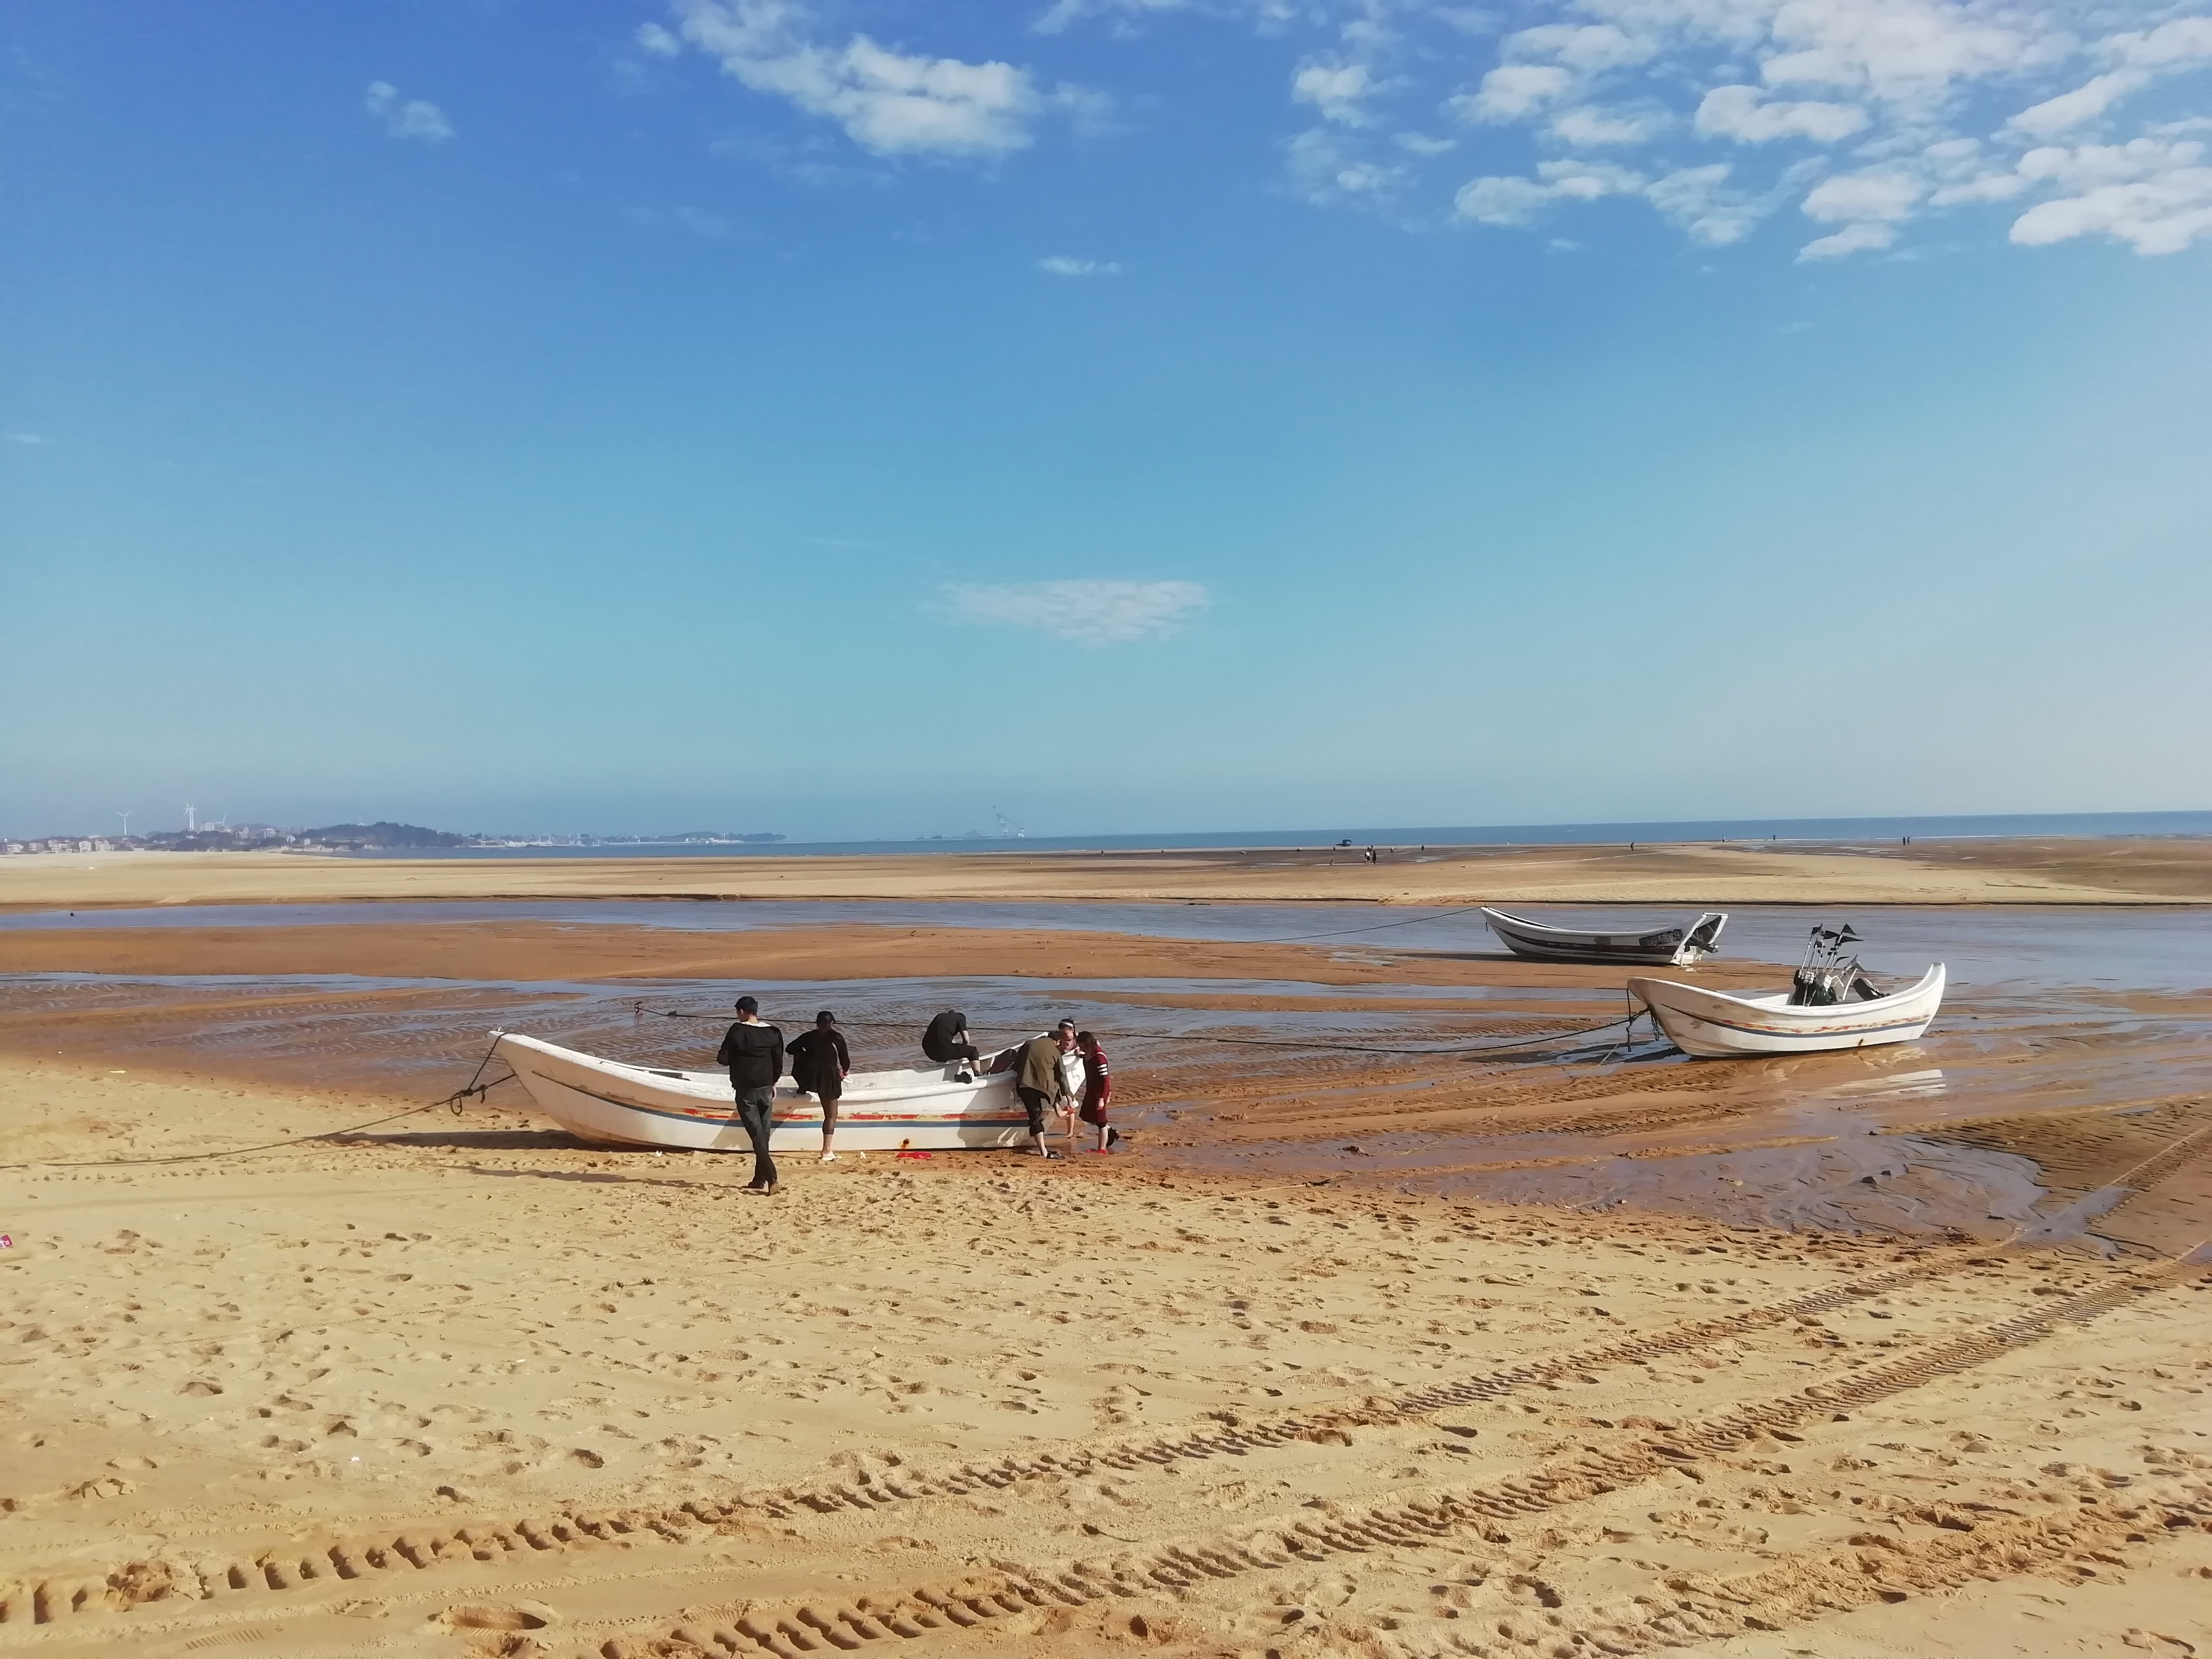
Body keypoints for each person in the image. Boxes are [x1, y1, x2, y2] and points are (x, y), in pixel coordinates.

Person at [715, 995, 784, 1195]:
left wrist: (738, 1056)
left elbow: (723, 1059)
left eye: (737, 1012)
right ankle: (759, 1179)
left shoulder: (738, 1031)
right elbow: (778, 1060)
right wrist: (774, 1081)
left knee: (757, 1136)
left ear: (742, 1012)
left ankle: (772, 1178)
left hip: (746, 1091)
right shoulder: (773, 1032)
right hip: (766, 1089)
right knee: (763, 1135)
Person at [786, 1010, 850, 1163]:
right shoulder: (837, 1038)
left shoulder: (809, 1036)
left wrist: (806, 1055)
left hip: (810, 1078)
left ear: (817, 1023)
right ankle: (826, 1150)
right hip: (829, 1080)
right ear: (833, 1023)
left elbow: (790, 1048)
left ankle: (802, 1087)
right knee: (831, 1115)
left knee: (799, 1055)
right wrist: (845, 1072)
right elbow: (845, 1062)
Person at [1014, 1025, 1075, 1159]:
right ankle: (1058, 1110)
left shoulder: (1028, 1043)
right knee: (1054, 1083)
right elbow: (1062, 1076)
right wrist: (1069, 1097)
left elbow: (1017, 1064)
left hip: (1024, 1086)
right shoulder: (1056, 1052)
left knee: (1035, 1118)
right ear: (1058, 1042)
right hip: (1045, 1089)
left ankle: (1043, 1151)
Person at [1075, 1029, 1120, 1153]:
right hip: (1091, 1090)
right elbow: (1086, 1057)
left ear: (1090, 1044)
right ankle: (1111, 1131)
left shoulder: (1100, 1058)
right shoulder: (1089, 1054)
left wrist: (1102, 1098)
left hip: (1100, 1092)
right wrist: (1081, 1055)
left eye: (1083, 1047)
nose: (1082, 1049)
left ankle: (1102, 1149)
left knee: (1101, 1122)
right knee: (1087, 1115)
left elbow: (1105, 1080)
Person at [922, 1009, 981, 1075]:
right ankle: (978, 1075)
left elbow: (942, 1036)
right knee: (973, 1051)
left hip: (928, 1051)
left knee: (943, 1044)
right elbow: (966, 1039)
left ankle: (940, 1067)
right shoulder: (961, 1018)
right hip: (942, 1050)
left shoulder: (940, 1016)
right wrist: (965, 1054)